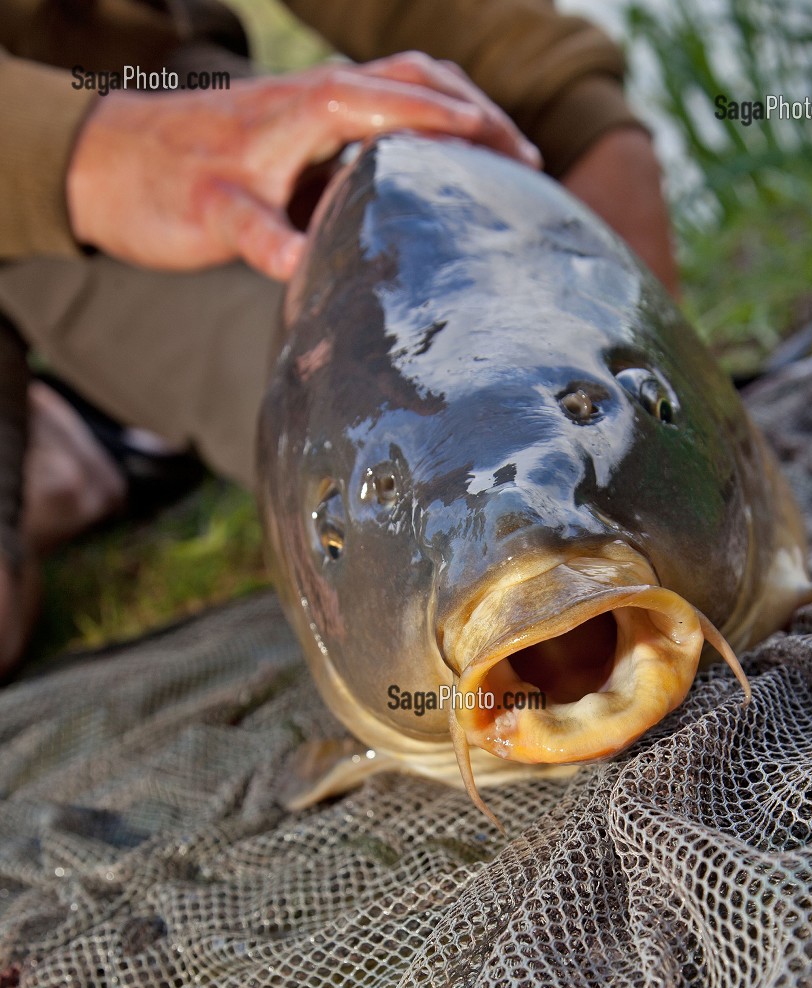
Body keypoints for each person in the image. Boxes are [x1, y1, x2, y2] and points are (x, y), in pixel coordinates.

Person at [0, 0, 678, 676]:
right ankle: (82, 437)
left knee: (418, 449)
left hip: (118, 81)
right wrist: (76, 152)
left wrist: (572, 115)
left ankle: (97, 432)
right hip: (66, 151)